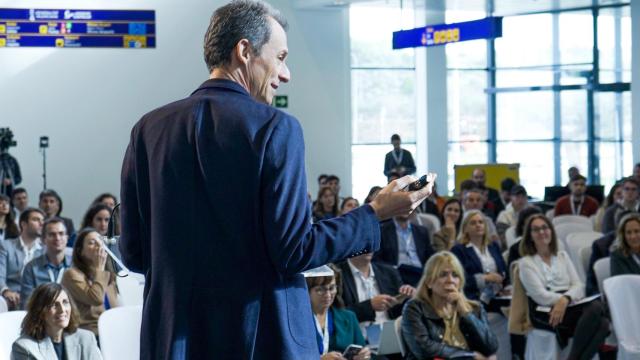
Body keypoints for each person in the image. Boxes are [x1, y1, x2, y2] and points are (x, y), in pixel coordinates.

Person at [118, 1, 433, 358]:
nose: (286, 74)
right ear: (244, 50)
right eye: (280, 57)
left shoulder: (148, 129)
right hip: (257, 338)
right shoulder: (274, 128)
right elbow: (295, 250)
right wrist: (374, 213)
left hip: (174, 340)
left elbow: (133, 253)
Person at [518, 214, 609, 358]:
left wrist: (565, 299)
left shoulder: (562, 256)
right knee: (599, 315)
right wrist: (562, 300)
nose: (541, 232)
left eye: (544, 228)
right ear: (530, 236)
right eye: (536, 230)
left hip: (568, 303)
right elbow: (540, 295)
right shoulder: (525, 263)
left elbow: (578, 285)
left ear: (551, 231)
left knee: (603, 323)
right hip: (543, 310)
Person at [401, 251, 498, 360]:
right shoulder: (414, 308)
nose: (450, 280)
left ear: (460, 282)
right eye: (443, 275)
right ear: (429, 282)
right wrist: (469, 356)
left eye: (455, 275)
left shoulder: (475, 308)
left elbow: (491, 347)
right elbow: (424, 350)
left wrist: (466, 313)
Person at [11, 283, 102, 360]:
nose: (62, 310)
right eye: (54, 305)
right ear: (40, 311)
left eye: (65, 302)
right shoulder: (24, 347)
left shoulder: (86, 338)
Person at [336, 252, 414, 337]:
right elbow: (335, 316)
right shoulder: (336, 274)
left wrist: (408, 297)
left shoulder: (389, 272)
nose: (369, 247)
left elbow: (400, 313)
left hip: (392, 336)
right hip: (356, 339)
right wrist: (369, 306)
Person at [62, 228, 119, 337]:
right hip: (88, 333)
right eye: (92, 243)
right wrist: (100, 269)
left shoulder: (109, 274)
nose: (99, 245)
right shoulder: (71, 274)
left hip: (111, 329)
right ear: (80, 251)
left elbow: (115, 308)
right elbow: (96, 298)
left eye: (100, 241)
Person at [306, 268, 371, 360]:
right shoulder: (296, 322)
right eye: (320, 290)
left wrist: (364, 356)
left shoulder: (349, 317)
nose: (328, 295)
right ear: (306, 291)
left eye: (332, 288)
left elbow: (363, 352)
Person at [450, 210, 507, 307]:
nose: (478, 225)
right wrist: (485, 278)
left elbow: (504, 270)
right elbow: (459, 279)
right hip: (473, 298)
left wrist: (502, 279)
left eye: (481, 222)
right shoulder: (459, 250)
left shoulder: (493, 246)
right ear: (465, 228)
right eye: (473, 223)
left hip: (497, 296)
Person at [20, 218, 72, 307]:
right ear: (43, 239)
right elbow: (26, 303)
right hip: (41, 317)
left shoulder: (75, 266)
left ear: (67, 238)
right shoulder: (31, 267)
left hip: (72, 316)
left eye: (61, 234)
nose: (57, 238)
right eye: (52, 234)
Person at [0, 208, 45, 310]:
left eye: (42, 220)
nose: (41, 223)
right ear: (23, 224)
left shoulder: (45, 250)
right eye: (36, 220)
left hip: (35, 297)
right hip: (11, 295)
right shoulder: (6, 246)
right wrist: (5, 291)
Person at [374, 215, 435, 286]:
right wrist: (391, 269)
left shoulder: (421, 231)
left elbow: (430, 255)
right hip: (397, 273)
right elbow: (376, 259)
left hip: (420, 272)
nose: (406, 209)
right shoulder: (382, 231)